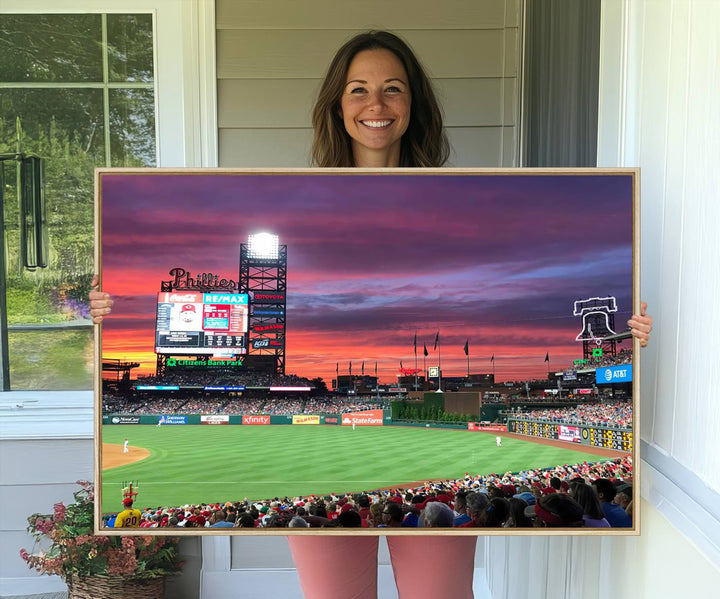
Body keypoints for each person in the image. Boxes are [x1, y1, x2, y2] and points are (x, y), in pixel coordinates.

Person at [90, 29, 654, 599]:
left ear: (414, 104)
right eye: (358, 89)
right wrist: (100, 310)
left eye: (393, 89)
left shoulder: (461, 195)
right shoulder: (292, 198)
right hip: (325, 490)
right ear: (338, 104)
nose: (375, 105)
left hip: (437, 489)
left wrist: (629, 335)